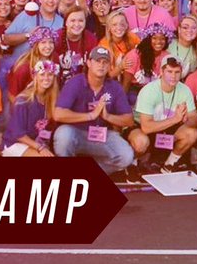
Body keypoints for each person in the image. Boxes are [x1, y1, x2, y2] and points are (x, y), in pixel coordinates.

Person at [53, 46, 138, 176]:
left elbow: (129, 119)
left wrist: (108, 116)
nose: (101, 65)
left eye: (105, 62)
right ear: (88, 63)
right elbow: (58, 114)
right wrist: (91, 115)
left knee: (126, 156)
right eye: (97, 61)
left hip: (102, 135)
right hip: (77, 133)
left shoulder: (114, 87)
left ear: (110, 66)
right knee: (63, 135)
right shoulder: (75, 82)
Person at [129, 55, 197, 174]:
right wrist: (176, 119)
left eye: (177, 72)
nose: (173, 76)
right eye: (169, 71)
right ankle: (132, 163)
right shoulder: (149, 90)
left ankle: (170, 164)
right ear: (161, 71)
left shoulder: (184, 90)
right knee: (140, 141)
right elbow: (146, 128)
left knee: (191, 133)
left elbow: (195, 119)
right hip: (142, 127)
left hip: (167, 129)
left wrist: (186, 119)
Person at [0, 60, 59, 158]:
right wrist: (40, 148)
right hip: (15, 143)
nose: (46, 78)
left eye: (50, 75)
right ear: (35, 77)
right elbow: (18, 134)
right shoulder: (24, 100)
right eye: (42, 74)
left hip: (35, 143)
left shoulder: (51, 100)